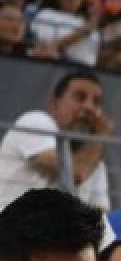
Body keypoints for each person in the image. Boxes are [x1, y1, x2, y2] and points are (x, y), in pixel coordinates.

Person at [0, 70, 112, 211]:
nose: (89, 107)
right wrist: (100, 137)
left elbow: (101, 217)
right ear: (55, 105)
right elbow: (73, 175)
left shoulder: (94, 160)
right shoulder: (34, 121)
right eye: (80, 97)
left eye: (96, 102)